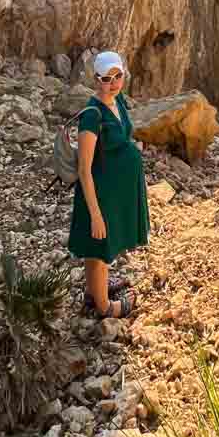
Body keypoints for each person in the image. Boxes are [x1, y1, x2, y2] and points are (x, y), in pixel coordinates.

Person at [68, 49, 149, 318]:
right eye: (106, 78)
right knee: (100, 248)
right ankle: (105, 307)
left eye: (118, 76)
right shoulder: (91, 115)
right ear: (95, 78)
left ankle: (95, 291)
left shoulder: (118, 99)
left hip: (115, 193)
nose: (113, 83)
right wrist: (95, 215)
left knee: (101, 248)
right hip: (100, 194)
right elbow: (84, 168)